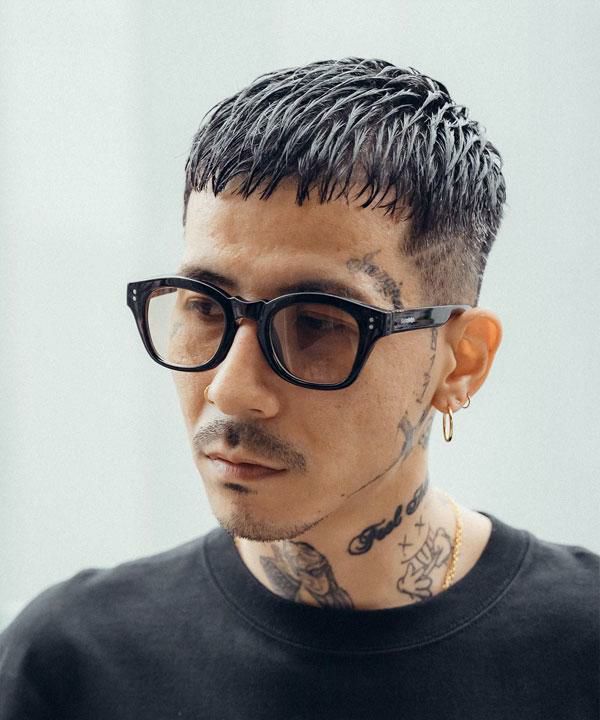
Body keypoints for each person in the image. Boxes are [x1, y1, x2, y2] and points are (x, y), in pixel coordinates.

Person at [1, 57, 598, 719]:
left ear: (460, 363)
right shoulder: (68, 667)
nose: (231, 391)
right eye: (204, 306)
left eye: (317, 323)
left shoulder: (582, 649)